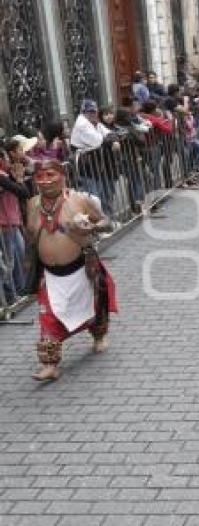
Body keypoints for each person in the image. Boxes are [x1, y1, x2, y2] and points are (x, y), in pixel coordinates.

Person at [24, 159, 118, 381]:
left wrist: (92, 226)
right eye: (40, 177)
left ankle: (98, 335)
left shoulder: (79, 199)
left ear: (62, 175)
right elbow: (30, 237)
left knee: (94, 308)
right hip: (50, 275)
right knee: (48, 318)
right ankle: (50, 365)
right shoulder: (32, 204)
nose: (45, 181)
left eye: (50, 174)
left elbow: (107, 222)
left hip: (81, 270)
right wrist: (28, 262)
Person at [0, 142, 30, 301]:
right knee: (9, 261)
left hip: (13, 222)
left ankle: (21, 288)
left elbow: (25, 189)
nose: (7, 161)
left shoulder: (6, 175)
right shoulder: (2, 177)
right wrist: (19, 179)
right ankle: (10, 296)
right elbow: (23, 191)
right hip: (5, 224)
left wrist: (18, 176)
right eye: (5, 157)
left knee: (20, 253)